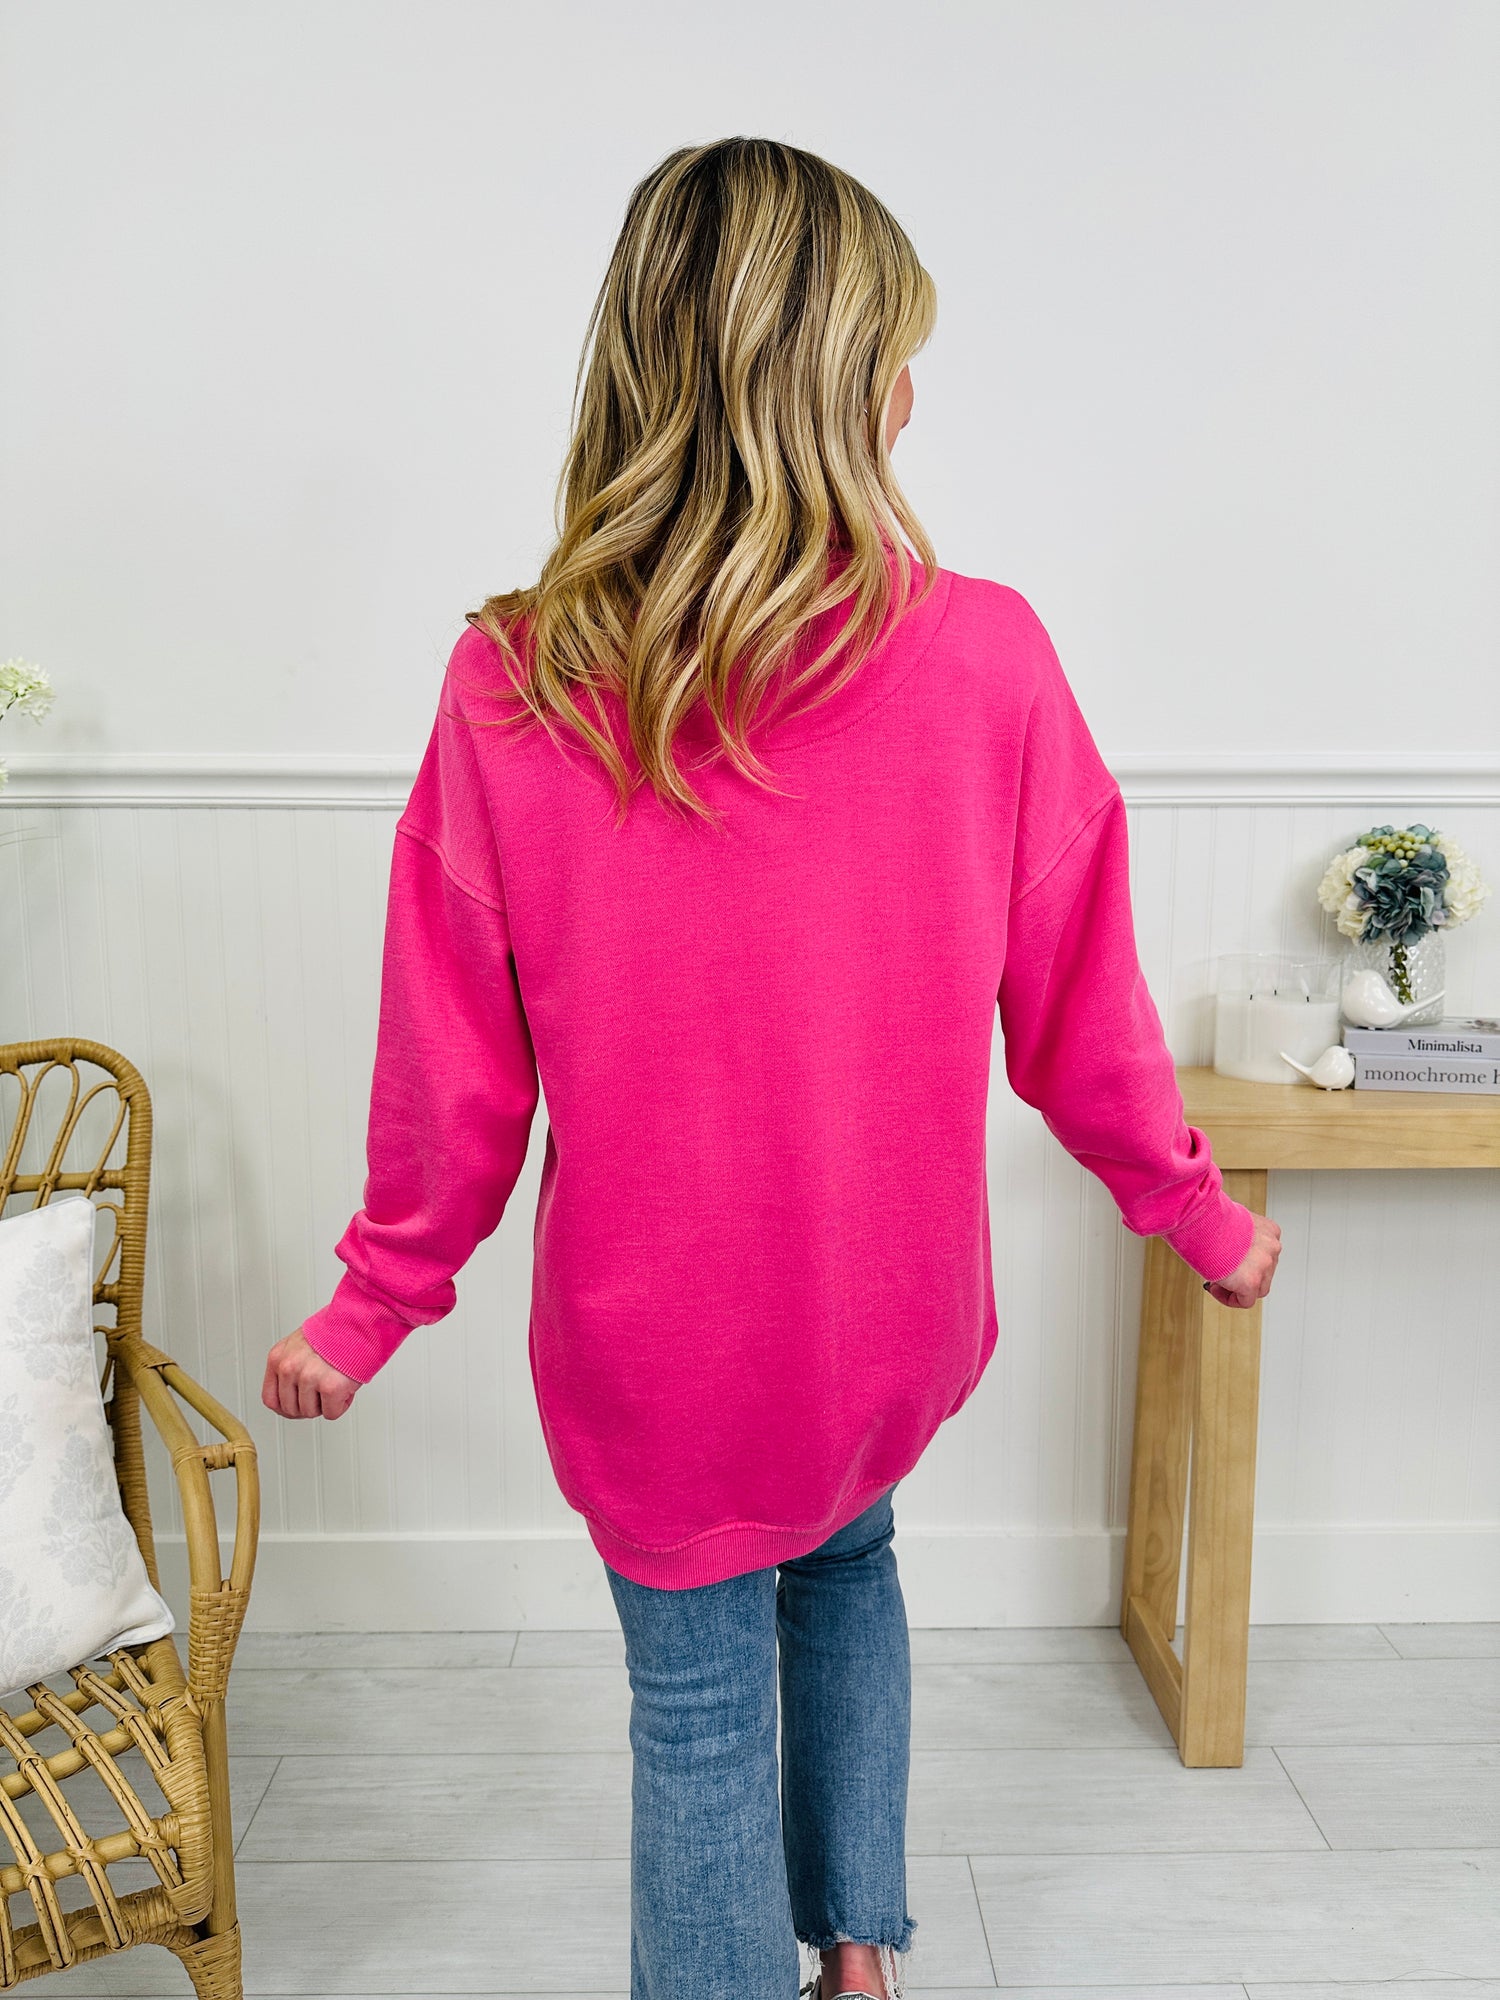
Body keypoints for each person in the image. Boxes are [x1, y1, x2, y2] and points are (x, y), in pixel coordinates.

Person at [262, 136, 1282, 2000]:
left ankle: (811, 1955)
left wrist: (374, 1298)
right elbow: (1085, 1013)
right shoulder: (990, 658)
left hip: (658, 1352)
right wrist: (1195, 1213)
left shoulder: (518, 680)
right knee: (851, 1570)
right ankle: (860, 1952)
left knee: (700, 1716)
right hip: (877, 1316)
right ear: (833, 390)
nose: (917, 396)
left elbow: (450, 1067)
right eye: (899, 357)